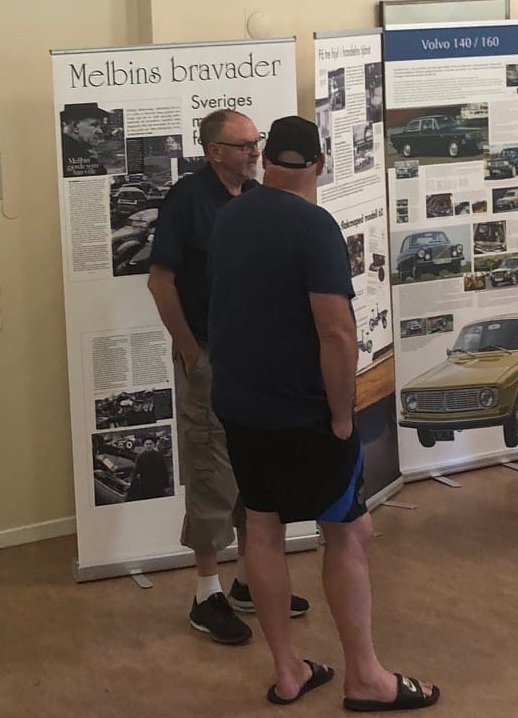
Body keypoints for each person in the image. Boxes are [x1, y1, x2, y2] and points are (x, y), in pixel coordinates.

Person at [208, 115, 439, 709]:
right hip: (304, 412)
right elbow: (336, 333)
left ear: (265, 162)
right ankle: (366, 678)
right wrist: (341, 417)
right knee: (348, 532)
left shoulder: (230, 217)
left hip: (240, 405)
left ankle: (288, 672)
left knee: (262, 528)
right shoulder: (314, 226)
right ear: (319, 165)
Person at [148, 109, 310, 646]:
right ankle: (206, 593)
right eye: (243, 145)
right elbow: (160, 281)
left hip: (253, 359)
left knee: (252, 464)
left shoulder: (258, 199)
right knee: (211, 468)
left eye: (256, 142)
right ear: (214, 150)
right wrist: (191, 352)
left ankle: (247, 581)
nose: (254, 152)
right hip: (210, 356)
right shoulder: (187, 200)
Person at [60, 103, 109, 178]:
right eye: (94, 125)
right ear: (75, 127)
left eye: (99, 126)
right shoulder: (71, 155)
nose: (100, 131)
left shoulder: (79, 151)